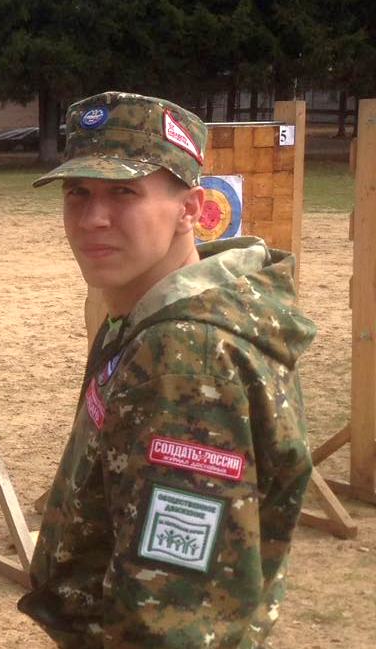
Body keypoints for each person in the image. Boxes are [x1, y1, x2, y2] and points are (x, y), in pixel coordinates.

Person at [17, 91, 316, 648]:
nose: (92, 218)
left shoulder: (187, 359)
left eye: (124, 192)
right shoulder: (147, 314)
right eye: (77, 193)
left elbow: (173, 616)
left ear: (191, 209)